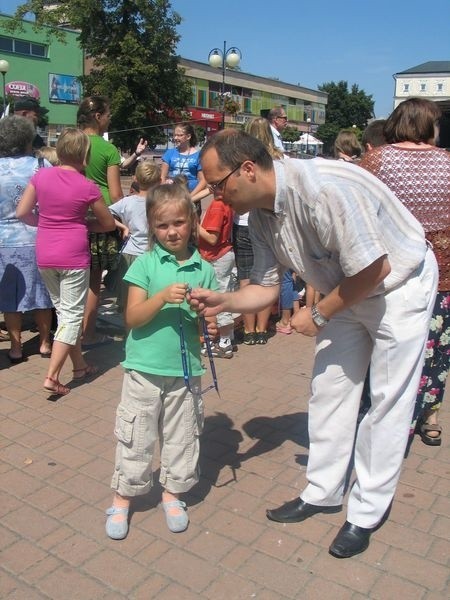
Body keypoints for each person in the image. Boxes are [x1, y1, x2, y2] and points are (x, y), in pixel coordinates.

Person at [189, 129, 438, 559]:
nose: (213, 195)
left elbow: (375, 269)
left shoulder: (324, 189)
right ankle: (323, 491)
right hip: (348, 287)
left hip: (399, 285)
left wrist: (320, 314)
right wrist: (225, 301)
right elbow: (266, 287)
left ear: (247, 169)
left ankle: (366, 511)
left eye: (217, 184)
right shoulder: (263, 214)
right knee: (328, 388)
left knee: (387, 400)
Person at [105, 183, 218, 540]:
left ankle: (173, 493)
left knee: (182, 436)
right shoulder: (146, 264)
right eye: (163, 225)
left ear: (192, 221)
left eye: (179, 223)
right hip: (144, 370)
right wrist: (163, 299)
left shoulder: (204, 268)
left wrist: (209, 324)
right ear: (152, 227)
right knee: (136, 436)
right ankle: (123, 497)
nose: (172, 232)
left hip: (185, 372)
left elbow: (210, 322)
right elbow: (132, 317)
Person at [360, 98, 450, 447]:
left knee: (383, 343)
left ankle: (378, 414)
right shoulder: (448, 162)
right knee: (435, 349)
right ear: (428, 125)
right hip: (442, 274)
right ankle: (429, 417)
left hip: (387, 274)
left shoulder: (375, 161)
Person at [16, 128, 115, 396]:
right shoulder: (87, 186)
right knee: (71, 317)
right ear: (84, 154)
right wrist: (83, 223)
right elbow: (107, 223)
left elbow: (22, 212)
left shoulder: (41, 176)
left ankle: (80, 366)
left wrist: (45, 223)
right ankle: (52, 376)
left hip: (45, 253)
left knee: (64, 313)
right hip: (73, 255)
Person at [0, 115, 53, 363]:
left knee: (10, 298)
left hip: (5, 241)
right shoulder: (41, 166)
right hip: (39, 235)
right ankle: (44, 342)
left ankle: (16, 347)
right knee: (42, 294)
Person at [77, 95, 124, 348]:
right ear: (98, 117)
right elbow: (116, 194)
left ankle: (69, 333)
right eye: (107, 115)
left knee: (73, 279)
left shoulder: (71, 143)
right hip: (102, 216)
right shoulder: (108, 149)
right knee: (95, 281)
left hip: (74, 215)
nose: (109, 119)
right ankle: (89, 333)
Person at [108, 160, 161, 312]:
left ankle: (129, 331)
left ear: (135, 179)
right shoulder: (160, 202)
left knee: (128, 300)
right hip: (154, 253)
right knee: (151, 297)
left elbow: (105, 213)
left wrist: (123, 226)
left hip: (130, 254)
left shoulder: (127, 202)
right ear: (158, 181)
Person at [198, 189, 236, 358]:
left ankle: (225, 342)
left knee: (219, 299)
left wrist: (193, 225)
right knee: (221, 296)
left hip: (216, 256)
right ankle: (225, 338)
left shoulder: (218, 205)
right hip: (220, 255)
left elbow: (212, 238)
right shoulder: (226, 202)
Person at [161, 123, 207, 216]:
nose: (176, 138)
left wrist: (191, 197)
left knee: (192, 227)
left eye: (180, 135)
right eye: (175, 135)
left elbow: (203, 181)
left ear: (188, 136)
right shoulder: (170, 153)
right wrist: (165, 185)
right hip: (171, 196)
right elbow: (162, 177)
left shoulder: (199, 155)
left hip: (191, 197)